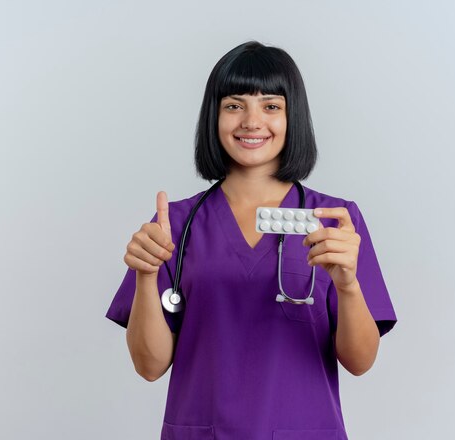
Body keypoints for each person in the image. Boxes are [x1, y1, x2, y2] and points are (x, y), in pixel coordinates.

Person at [105, 41, 397, 440]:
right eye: (234, 105)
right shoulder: (174, 224)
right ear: (215, 117)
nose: (251, 121)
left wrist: (347, 285)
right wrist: (144, 274)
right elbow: (149, 366)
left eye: (271, 106)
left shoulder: (334, 221)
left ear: (294, 116)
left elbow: (360, 361)